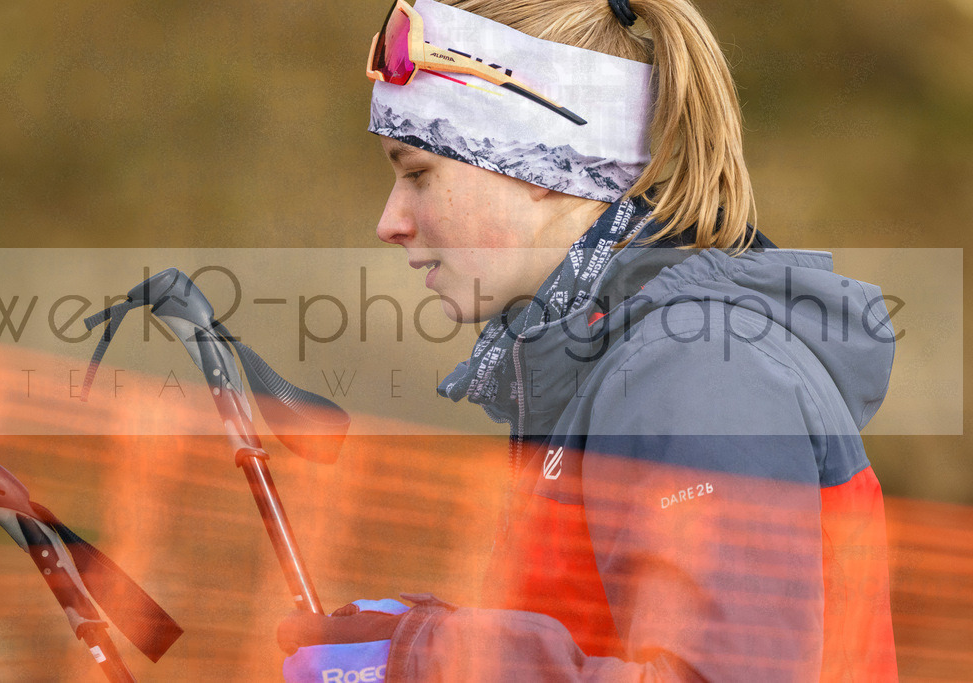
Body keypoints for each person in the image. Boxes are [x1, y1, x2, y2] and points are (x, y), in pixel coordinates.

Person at [278, 0, 899, 680]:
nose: (390, 221)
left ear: (544, 165)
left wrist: (433, 660)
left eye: (418, 172)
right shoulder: (603, 362)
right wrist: (429, 633)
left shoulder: (698, 371)